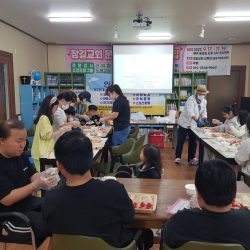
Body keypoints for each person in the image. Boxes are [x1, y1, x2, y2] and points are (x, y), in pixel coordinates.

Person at [42, 130, 134, 248]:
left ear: (59, 165)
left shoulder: (50, 199)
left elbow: (50, 231)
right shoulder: (113, 190)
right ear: (91, 159)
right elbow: (129, 218)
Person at [162, 159, 250, 250]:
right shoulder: (247, 221)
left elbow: (167, 240)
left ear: (198, 195)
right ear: (234, 194)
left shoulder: (179, 221)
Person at [0, 120, 58, 246]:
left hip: (27, 203)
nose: (23, 145)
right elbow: (6, 199)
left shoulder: (20, 155)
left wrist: (45, 176)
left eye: (25, 140)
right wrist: (35, 185)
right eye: (18, 141)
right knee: (51, 223)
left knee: (58, 208)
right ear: (2, 140)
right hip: (8, 214)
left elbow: (32, 175)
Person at [31, 95, 71, 169]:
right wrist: (61, 130)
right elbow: (47, 135)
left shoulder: (45, 117)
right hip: (41, 153)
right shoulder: (44, 118)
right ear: (50, 107)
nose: (56, 110)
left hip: (45, 151)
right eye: (55, 108)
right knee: (44, 175)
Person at [175, 84, 209, 165]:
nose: (202, 95)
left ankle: (191, 158)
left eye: (203, 94)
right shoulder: (191, 99)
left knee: (193, 141)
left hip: (193, 124)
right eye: (201, 94)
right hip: (184, 123)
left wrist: (205, 118)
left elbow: (204, 111)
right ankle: (178, 157)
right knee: (181, 140)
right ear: (197, 93)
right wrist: (198, 121)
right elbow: (191, 112)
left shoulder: (204, 101)